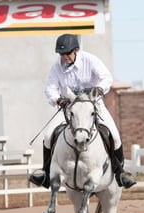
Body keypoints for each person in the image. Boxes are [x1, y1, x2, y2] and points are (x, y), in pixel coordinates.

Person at [29, 33, 136, 189]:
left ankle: (120, 173)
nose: (64, 57)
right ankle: (45, 174)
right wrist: (58, 100)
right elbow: (50, 88)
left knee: (115, 135)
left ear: (76, 51)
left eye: (67, 53)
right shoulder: (56, 67)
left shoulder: (90, 60)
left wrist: (99, 88)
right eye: (61, 53)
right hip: (69, 107)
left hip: (93, 105)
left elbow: (106, 77)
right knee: (47, 136)